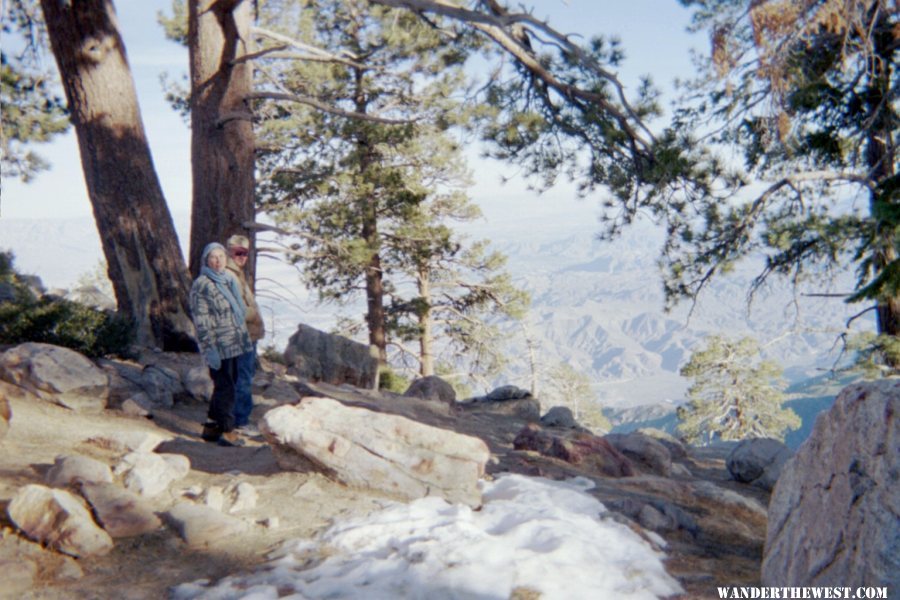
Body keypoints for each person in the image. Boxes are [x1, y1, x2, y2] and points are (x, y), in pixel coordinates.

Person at [190, 242, 253, 447]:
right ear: (206, 260)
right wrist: (209, 348)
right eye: (213, 258)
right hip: (219, 344)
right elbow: (202, 320)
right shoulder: (202, 284)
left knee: (228, 384)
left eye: (221, 257)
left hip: (236, 341)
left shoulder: (229, 280)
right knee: (226, 388)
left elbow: (240, 310)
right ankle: (227, 432)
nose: (218, 261)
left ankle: (211, 428)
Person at [225, 234, 265, 435]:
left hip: (244, 335)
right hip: (241, 336)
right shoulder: (229, 275)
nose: (242, 256)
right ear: (230, 252)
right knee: (242, 378)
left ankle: (233, 419)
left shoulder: (236, 274)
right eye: (238, 252)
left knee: (238, 377)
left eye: (245, 253)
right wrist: (254, 313)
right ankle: (240, 421)